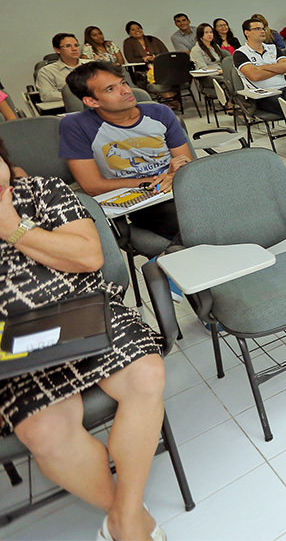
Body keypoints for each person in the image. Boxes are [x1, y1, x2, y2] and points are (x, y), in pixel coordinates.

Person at [0, 135, 168, 541]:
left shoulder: (40, 191)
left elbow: (89, 257)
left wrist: (14, 229)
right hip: (10, 341)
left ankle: (125, 520)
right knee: (44, 433)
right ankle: (128, 516)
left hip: (83, 311)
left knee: (146, 375)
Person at [61, 61, 193, 242]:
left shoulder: (159, 112)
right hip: (141, 200)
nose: (126, 91)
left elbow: (187, 163)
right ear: (91, 101)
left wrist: (174, 177)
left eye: (123, 83)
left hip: (180, 189)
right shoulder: (75, 126)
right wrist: (156, 181)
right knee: (192, 225)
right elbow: (92, 186)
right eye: (110, 89)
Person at [233, 17, 286, 117]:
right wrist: (277, 69)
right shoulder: (240, 53)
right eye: (257, 29)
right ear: (247, 33)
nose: (262, 31)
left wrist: (261, 67)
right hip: (261, 94)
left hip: (284, 88)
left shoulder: (273, 48)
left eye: (263, 28)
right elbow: (254, 76)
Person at [36, 33, 85, 102]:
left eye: (76, 45)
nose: (74, 49)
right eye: (68, 46)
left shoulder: (93, 65)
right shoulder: (46, 71)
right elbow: (47, 96)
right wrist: (76, 95)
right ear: (57, 50)